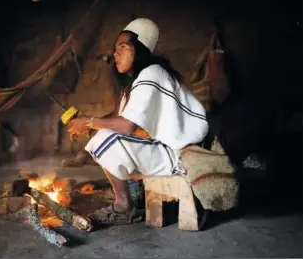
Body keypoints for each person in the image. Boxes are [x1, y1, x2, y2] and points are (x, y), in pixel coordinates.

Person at [68, 18, 209, 226]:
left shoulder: (152, 74)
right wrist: (86, 124)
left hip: (179, 155)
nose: (116, 53)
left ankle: (123, 206)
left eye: (123, 47)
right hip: (167, 151)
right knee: (104, 135)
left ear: (140, 50)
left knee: (104, 139)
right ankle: (132, 199)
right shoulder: (135, 83)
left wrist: (89, 122)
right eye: (115, 48)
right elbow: (117, 118)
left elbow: (126, 126)